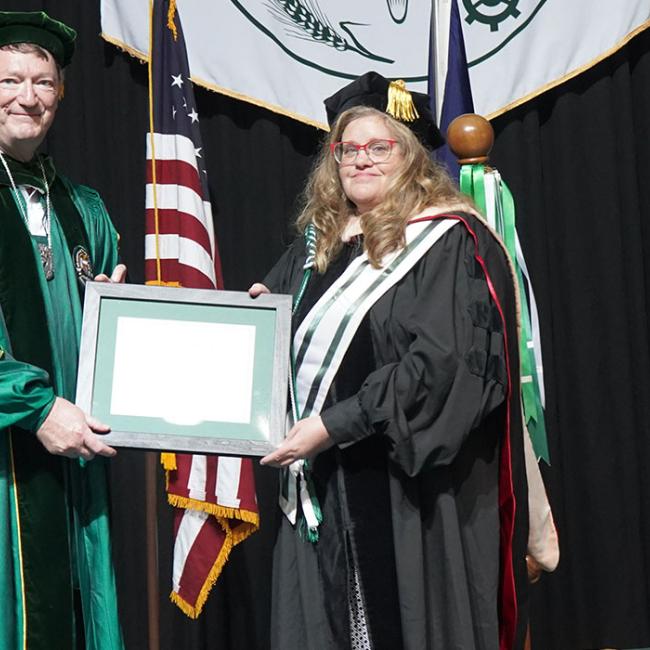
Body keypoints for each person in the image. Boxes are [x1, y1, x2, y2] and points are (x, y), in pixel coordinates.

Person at [251, 72, 529, 649]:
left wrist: (335, 424)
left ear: (411, 157)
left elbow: (441, 366)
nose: (361, 160)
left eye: (380, 147)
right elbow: (272, 339)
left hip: (409, 490)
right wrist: (259, 318)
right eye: (348, 149)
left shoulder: (445, 241)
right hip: (325, 483)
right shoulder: (316, 245)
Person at [0, 11, 125, 649]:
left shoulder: (85, 209)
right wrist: (37, 407)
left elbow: (113, 331)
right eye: (11, 79)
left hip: (77, 460)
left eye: (43, 82)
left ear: (61, 95)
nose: (28, 96)